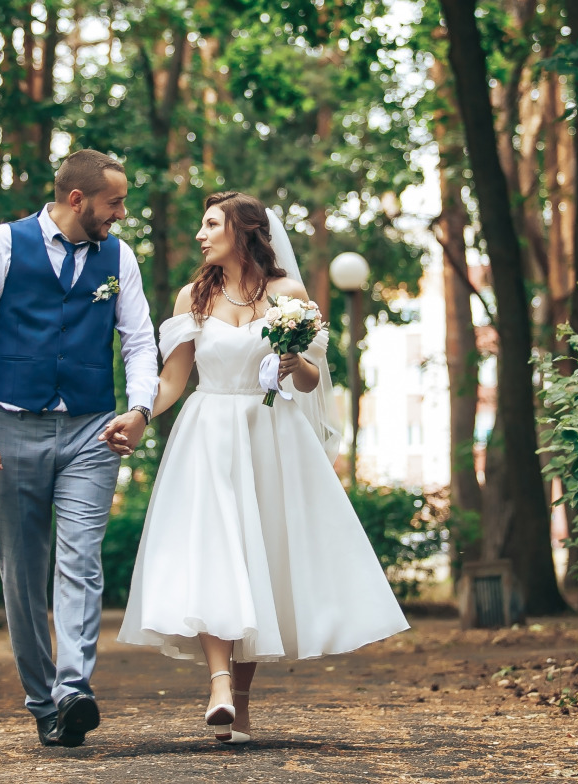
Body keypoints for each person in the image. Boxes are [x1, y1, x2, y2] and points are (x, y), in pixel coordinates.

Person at [116, 190, 409, 743]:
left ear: (244, 231)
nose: (200, 236)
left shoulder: (287, 295)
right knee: (216, 555)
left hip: (270, 434)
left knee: (257, 563)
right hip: (207, 433)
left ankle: (239, 710)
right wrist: (137, 417)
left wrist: (298, 361)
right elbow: (175, 381)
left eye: (210, 225)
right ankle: (220, 684)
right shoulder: (191, 299)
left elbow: (309, 381)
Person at [0, 149, 158, 749]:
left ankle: (73, 690)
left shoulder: (119, 256)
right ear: (77, 200)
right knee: (21, 572)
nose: (120, 214)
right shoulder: (3, 245)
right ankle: (43, 703)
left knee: (81, 560)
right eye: (114, 203)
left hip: (93, 430)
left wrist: (139, 410)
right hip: (11, 428)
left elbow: (139, 342)